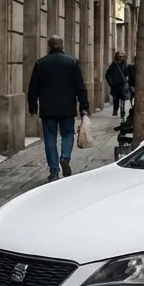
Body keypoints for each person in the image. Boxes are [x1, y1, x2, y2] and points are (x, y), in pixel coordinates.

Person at [28, 35, 89, 181]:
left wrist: (32, 106)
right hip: (67, 107)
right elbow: (80, 87)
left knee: (50, 138)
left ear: (49, 46)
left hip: (48, 108)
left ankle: (54, 170)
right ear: (62, 45)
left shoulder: (41, 63)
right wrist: (84, 107)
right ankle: (65, 158)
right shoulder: (72, 62)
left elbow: (33, 87)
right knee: (68, 134)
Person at [105, 51, 135, 117]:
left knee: (124, 98)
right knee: (116, 98)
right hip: (115, 85)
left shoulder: (127, 65)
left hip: (123, 84)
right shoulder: (113, 65)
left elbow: (130, 74)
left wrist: (128, 79)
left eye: (122, 57)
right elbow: (108, 75)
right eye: (120, 57)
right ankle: (115, 109)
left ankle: (123, 110)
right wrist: (111, 83)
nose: (121, 58)